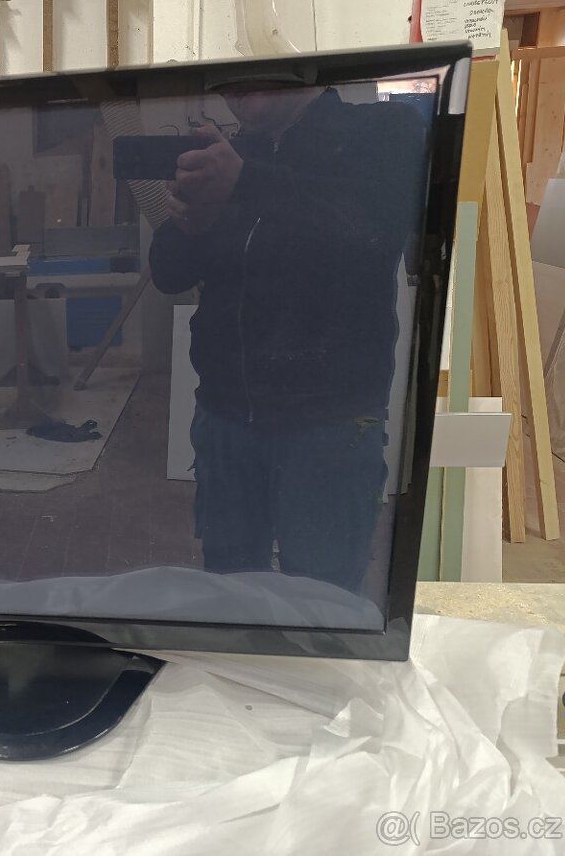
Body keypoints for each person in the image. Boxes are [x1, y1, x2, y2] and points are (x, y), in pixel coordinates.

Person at [149, 74, 427, 595]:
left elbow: (369, 234)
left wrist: (246, 182)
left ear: (299, 65)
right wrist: (191, 225)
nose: (229, 90)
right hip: (226, 415)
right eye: (221, 84)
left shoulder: (382, 131)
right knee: (230, 592)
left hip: (330, 420)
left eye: (245, 75)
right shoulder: (233, 155)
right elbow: (167, 273)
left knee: (324, 597)